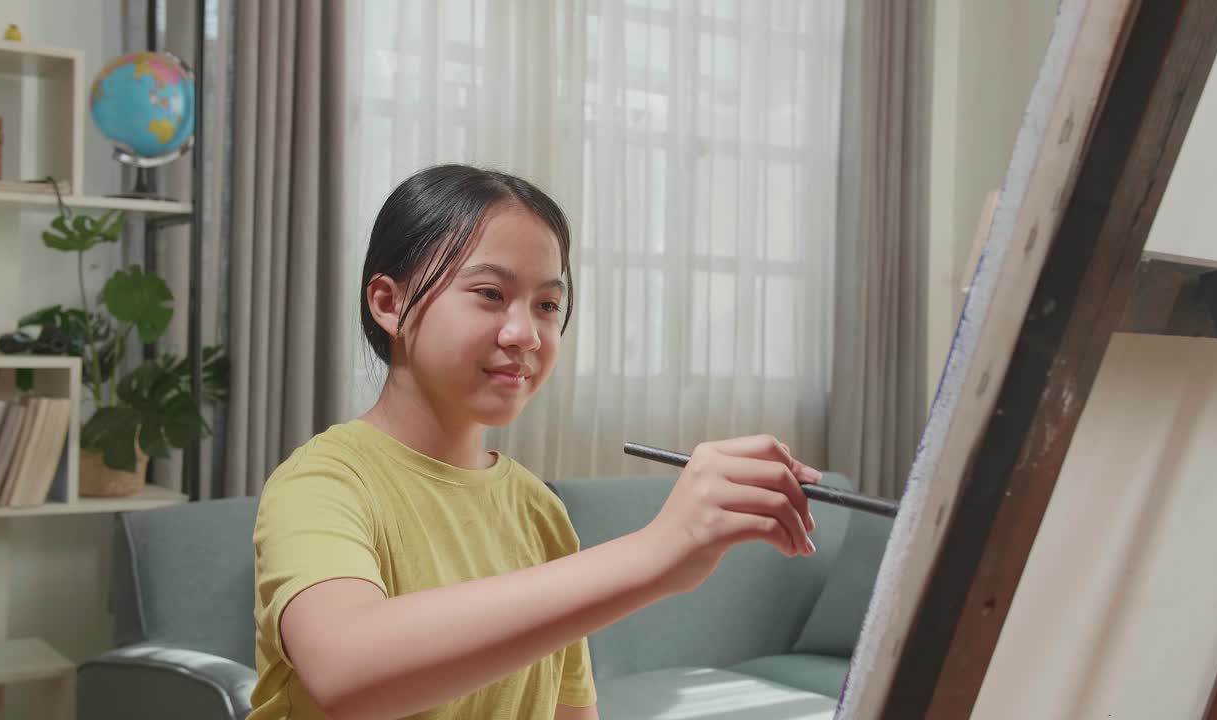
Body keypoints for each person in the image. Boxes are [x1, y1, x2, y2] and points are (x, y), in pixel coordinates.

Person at [247, 164, 822, 720]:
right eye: (490, 294)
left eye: (548, 305)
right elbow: (346, 674)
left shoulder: (537, 510)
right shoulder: (322, 483)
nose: (525, 334)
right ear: (389, 304)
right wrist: (655, 553)